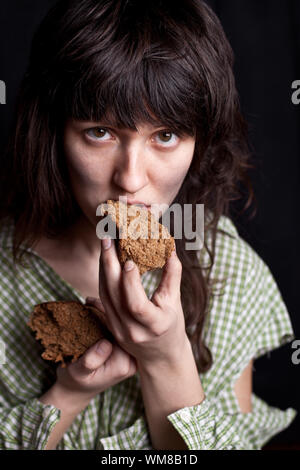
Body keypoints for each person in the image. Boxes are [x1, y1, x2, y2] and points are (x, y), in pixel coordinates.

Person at [0, 0, 296, 450]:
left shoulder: (229, 273)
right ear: (54, 131)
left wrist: (167, 357)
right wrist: (70, 393)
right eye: (100, 132)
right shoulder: (6, 271)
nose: (131, 179)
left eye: (165, 135)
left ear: (200, 142)